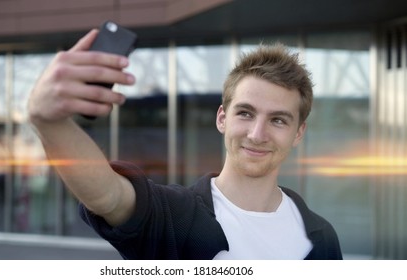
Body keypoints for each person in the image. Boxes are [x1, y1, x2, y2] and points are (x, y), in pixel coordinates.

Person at [28, 29, 342, 260]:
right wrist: (49, 122)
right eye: (245, 113)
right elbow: (108, 196)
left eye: (278, 120)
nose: (257, 134)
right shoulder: (176, 219)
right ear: (222, 118)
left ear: (298, 133)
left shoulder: (321, 236)